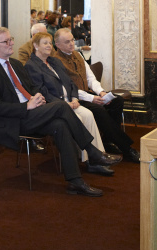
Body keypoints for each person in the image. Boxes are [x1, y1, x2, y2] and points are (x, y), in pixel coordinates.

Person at [0, 27, 120, 196]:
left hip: (33, 112)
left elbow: (30, 88)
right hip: (14, 120)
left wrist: (37, 97)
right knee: (60, 106)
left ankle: (75, 181)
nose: (12, 43)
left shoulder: (14, 64)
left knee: (60, 125)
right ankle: (93, 151)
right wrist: (26, 106)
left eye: (11, 39)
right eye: (7, 41)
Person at [24, 32, 112, 176]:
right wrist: (63, 104)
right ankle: (89, 160)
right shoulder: (31, 66)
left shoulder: (54, 62)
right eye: (45, 43)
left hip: (70, 101)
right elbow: (42, 92)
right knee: (81, 118)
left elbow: (71, 83)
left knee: (89, 114)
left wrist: (74, 98)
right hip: (55, 106)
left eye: (50, 42)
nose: (49, 46)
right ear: (35, 46)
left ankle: (97, 158)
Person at [52, 28, 140, 163]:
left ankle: (108, 140)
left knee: (117, 101)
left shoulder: (78, 55)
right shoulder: (55, 61)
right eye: (67, 42)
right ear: (57, 45)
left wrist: (101, 92)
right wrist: (93, 98)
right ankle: (126, 148)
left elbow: (90, 78)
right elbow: (69, 88)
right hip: (74, 98)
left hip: (87, 93)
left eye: (72, 40)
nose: (71, 44)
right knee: (99, 110)